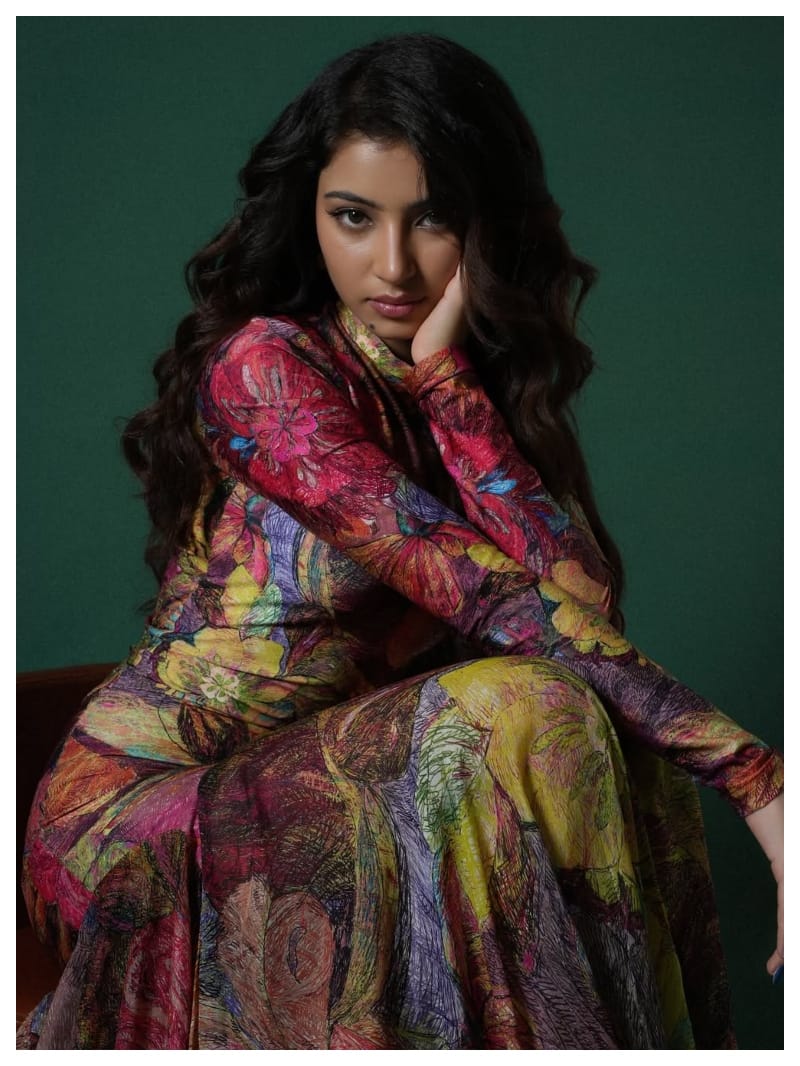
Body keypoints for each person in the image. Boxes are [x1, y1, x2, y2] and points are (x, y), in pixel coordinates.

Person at [18, 32, 783, 1051]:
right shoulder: (266, 370)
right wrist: (758, 780)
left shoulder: (460, 386)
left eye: (431, 218)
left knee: (589, 718)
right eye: (353, 217)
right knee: (523, 702)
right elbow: (487, 595)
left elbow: (578, 608)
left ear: (484, 223)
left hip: (339, 787)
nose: (390, 264)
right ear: (308, 215)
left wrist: (446, 379)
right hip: (145, 827)